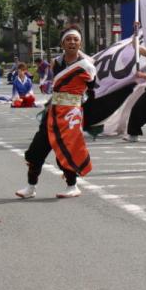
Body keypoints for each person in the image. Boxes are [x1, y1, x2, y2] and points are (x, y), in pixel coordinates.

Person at [15, 27, 97, 200]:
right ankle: (30, 187)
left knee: (67, 147)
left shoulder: (86, 65)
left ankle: (72, 185)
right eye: (69, 39)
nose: (72, 42)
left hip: (70, 114)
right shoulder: (56, 62)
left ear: (80, 43)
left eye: (76, 39)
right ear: (62, 43)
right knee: (37, 148)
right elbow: (53, 85)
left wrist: (79, 104)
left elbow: (92, 90)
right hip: (53, 111)